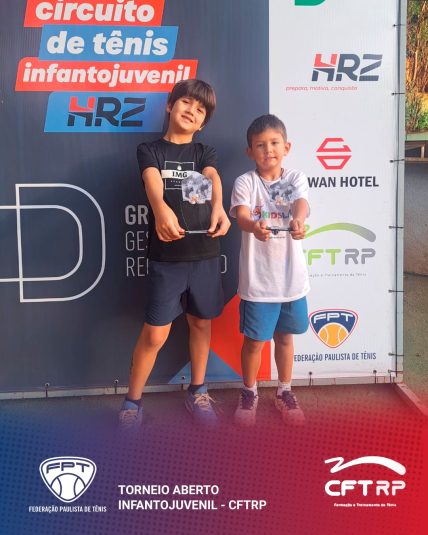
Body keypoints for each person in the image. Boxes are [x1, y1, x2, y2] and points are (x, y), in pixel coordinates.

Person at [119, 79, 230, 430]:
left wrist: (219, 206)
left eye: (200, 110)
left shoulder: (204, 153)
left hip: (205, 255)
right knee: (155, 335)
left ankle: (198, 391)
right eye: (186, 103)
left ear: (203, 122)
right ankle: (132, 402)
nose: (191, 111)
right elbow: (152, 181)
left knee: (200, 323)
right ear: (170, 106)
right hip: (166, 260)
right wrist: (160, 209)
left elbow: (212, 176)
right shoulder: (149, 149)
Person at [229, 114, 310, 427]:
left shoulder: (295, 178)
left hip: (292, 281)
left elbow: (301, 203)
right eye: (260, 145)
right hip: (258, 283)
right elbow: (241, 216)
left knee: (285, 338)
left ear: (286, 147)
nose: (268, 150)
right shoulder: (245, 182)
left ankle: (284, 391)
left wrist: (298, 220)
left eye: (274, 143)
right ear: (250, 151)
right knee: (254, 342)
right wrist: (253, 226)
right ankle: (249, 392)